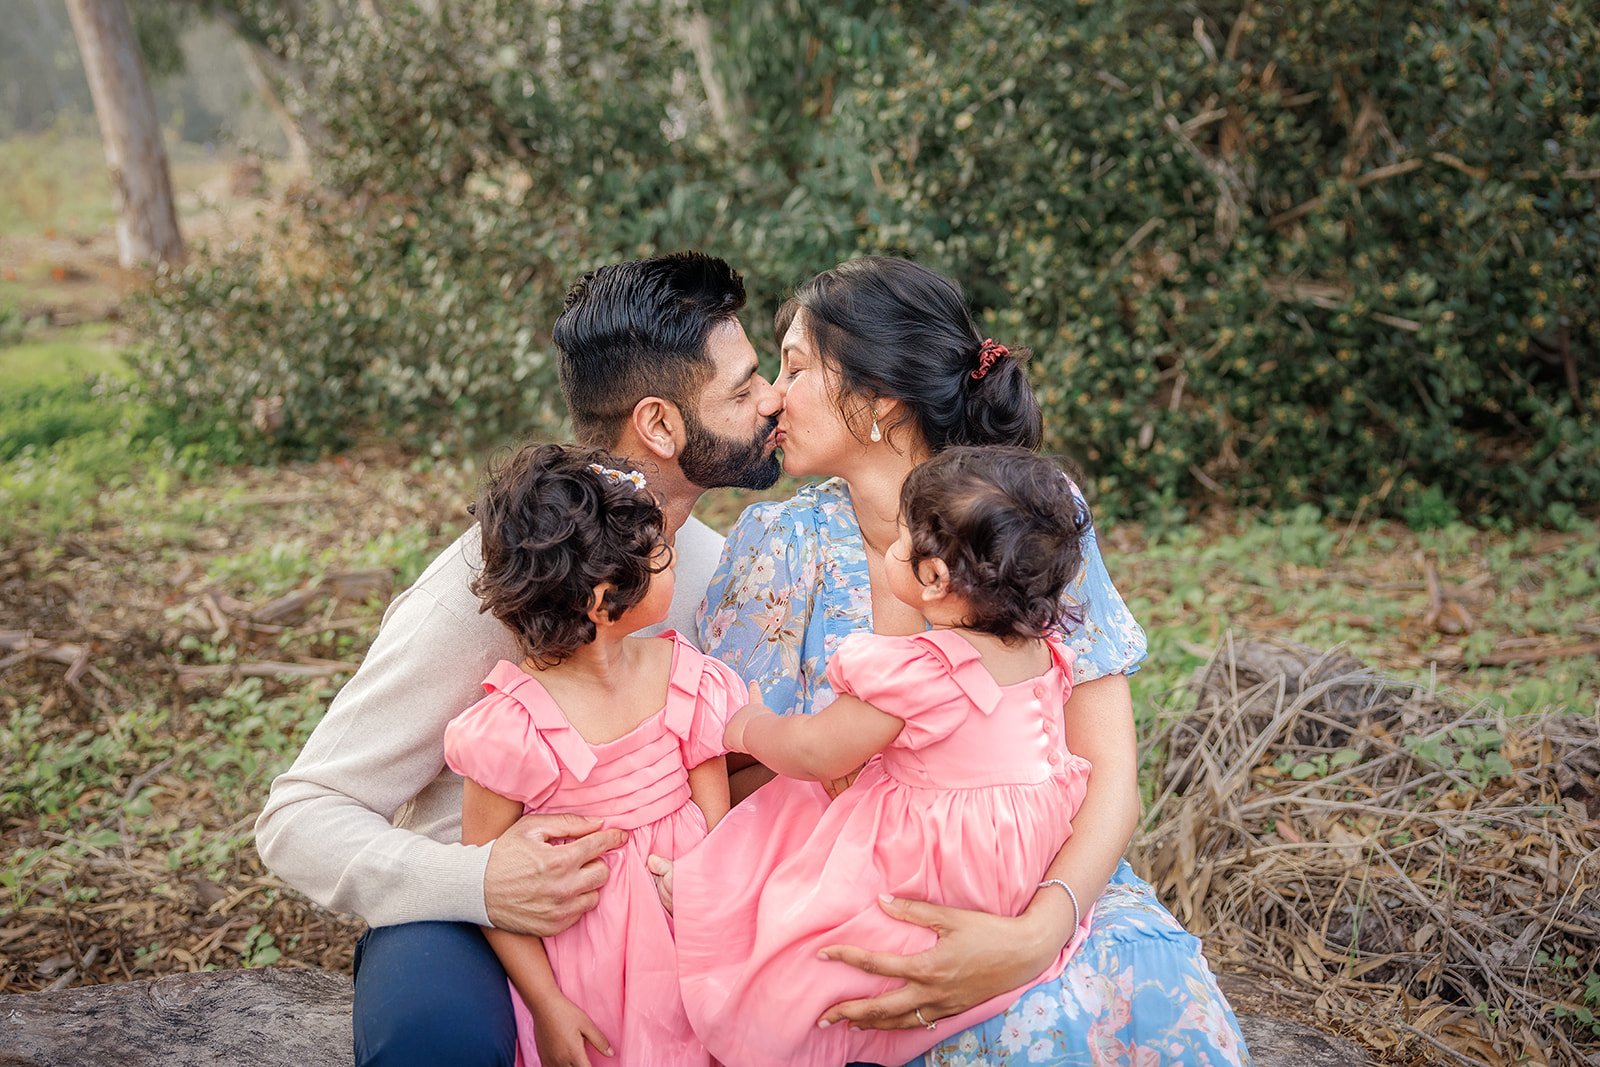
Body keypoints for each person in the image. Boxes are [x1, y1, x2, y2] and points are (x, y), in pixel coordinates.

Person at [698, 256, 1251, 1064]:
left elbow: (1108, 773)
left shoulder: (1032, 517)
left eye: (796, 365)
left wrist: (1037, 932)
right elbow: (729, 764)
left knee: (1152, 1007)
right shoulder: (782, 547)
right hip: (863, 899)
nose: (774, 395)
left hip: (1053, 881)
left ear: (880, 397)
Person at [254, 252, 783, 1067]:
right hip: (464, 914)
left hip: (660, 905)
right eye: (744, 388)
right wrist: (479, 882)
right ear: (661, 424)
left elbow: (719, 762)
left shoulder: (716, 572)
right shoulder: (483, 589)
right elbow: (298, 817)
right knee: (435, 1042)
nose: (772, 399)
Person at [671, 445, 1099, 1067]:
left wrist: (748, 725)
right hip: (1013, 870)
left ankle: (720, 910)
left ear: (934, 579)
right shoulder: (1041, 651)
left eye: (901, 542)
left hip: (933, 866)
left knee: (798, 812)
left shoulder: (923, 671)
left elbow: (817, 751)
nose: (892, 549)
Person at [444, 443, 740, 1067]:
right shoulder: (515, 726)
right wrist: (548, 1004)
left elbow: (715, 815)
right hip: (588, 967)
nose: (674, 562)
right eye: (661, 557)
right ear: (604, 601)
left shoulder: (682, 674)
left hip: (698, 936)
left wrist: (718, 896)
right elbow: (486, 882)